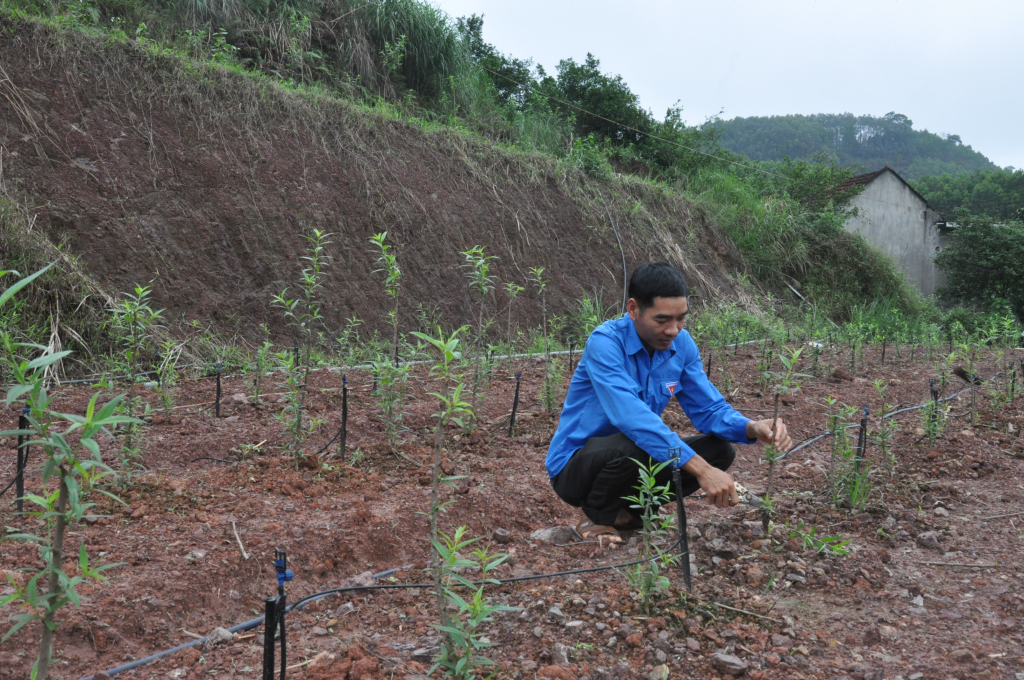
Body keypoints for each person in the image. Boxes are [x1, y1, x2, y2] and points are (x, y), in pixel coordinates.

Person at [546, 262, 792, 544]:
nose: (673, 330)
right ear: (634, 309)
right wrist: (701, 470)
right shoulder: (605, 344)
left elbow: (708, 409)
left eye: (681, 319)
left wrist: (751, 427)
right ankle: (597, 516)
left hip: (631, 452)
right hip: (576, 468)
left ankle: (632, 511)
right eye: (662, 320)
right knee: (632, 443)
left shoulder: (681, 346)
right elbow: (631, 419)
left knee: (719, 451)